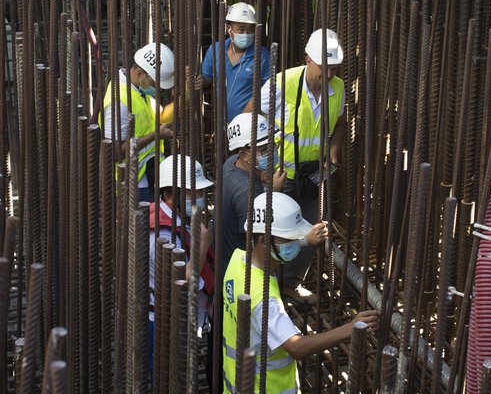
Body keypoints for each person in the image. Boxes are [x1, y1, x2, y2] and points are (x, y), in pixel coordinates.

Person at [222, 192, 378, 393]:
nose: (294, 243)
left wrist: (304, 241)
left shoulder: (238, 261)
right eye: (290, 239)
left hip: (235, 383)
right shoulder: (263, 298)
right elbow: (296, 346)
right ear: (264, 239)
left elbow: (276, 251)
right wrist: (349, 329)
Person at [244, 28, 346, 301]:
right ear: (308, 60)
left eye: (334, 69)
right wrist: (258, 164)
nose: (329, 75)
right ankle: (265, 285)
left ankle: (290, 283)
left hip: (314, 175)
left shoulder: (338, 88)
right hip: (281, 176)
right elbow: (248, 117)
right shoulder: (282, 84)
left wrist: (334, 149)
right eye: (324, 68)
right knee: (274, 233)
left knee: (313, 230)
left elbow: (339, 124)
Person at [221, 113, 328, 291]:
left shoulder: (231, 163)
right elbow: (262, 245)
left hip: (228, 257)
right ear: (244, 154)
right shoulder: (248, 193)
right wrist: (306, 240)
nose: (271, 152)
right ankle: (287, 288)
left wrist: (261, 176)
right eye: (264, 149)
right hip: (244, 273)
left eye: (272, 145)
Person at [147, 154, 215, 372]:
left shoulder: (172, 216)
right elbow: (182, 279)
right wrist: (202, 243)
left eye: (200, 192)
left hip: (180, 316)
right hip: (167, 321)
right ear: (168, 195)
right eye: (191, 193)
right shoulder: (162, 234)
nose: (199, 198)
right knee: (168, 375)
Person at [102, 42, 176, 202]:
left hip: (146, 179)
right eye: (156, 83)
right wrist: (156, 135)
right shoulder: (119, 102)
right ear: (140, 73)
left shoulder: (139, 92)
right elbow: (113, 153)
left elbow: (163, 116)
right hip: (130, 184)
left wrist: (187, 92)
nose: (158, 88)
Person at [196, 2, 270, 123]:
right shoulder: (215, 50)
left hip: (251, 124)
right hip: (222, 123)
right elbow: (206, 78)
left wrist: (250, 110)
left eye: (250, 30)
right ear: (228, 29)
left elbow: (269, 89)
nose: (246, 34)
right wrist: (198, 81)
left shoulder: (262, 56)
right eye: (241, 30)